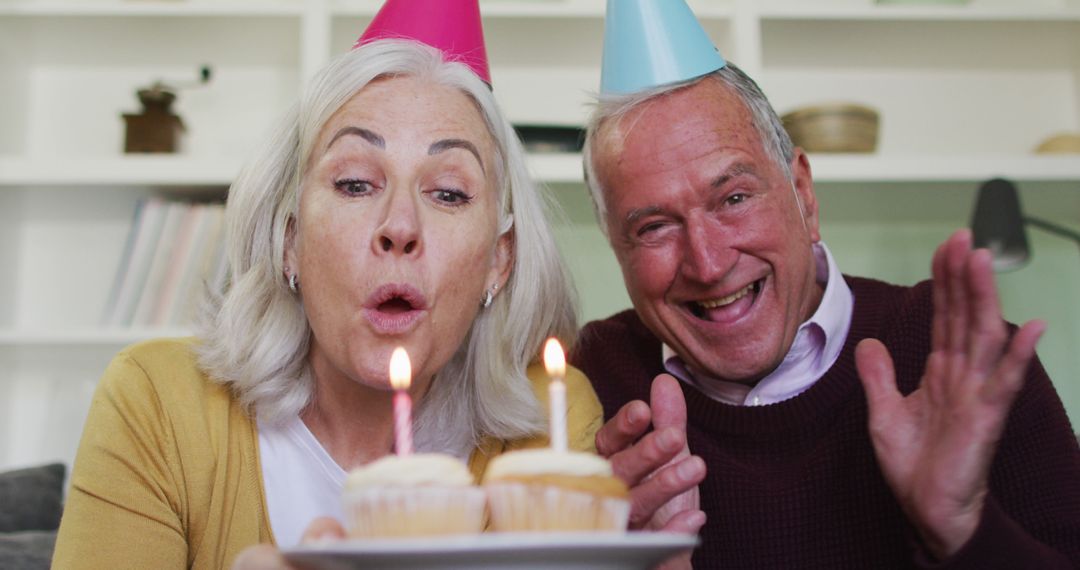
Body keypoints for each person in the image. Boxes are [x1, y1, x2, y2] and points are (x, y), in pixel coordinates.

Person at [50, 7, 605, 568]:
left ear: (499, 260)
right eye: (356, 183)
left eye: (448, 194)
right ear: (290, 241)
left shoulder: (549, 426)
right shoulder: (157, 403)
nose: (400, 227)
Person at [571, 0, 1080, 567]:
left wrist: (962, 530)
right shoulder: (586, 389)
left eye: (734, 198)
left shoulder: (958, 358)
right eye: (655, 226)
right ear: (615, 246)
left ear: (804, 196)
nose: (709, 265)